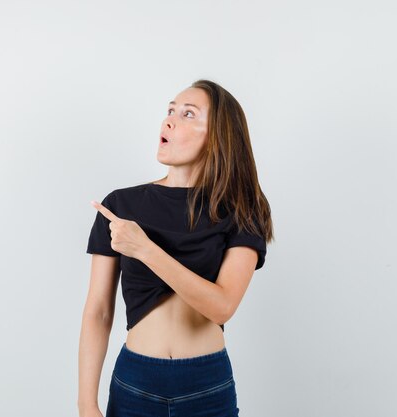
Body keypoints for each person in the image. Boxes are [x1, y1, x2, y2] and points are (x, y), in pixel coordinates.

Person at [78, 79, 274, 417]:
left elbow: (222, 306)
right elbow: (98, 311)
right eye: (170, 110)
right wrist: (86, 405)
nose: (169, 120)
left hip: (207, 386)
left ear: (217, 137)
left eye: (187, 114)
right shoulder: (121, 204)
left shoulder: (242, 210)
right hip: (135, 381)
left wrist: (145, 249)